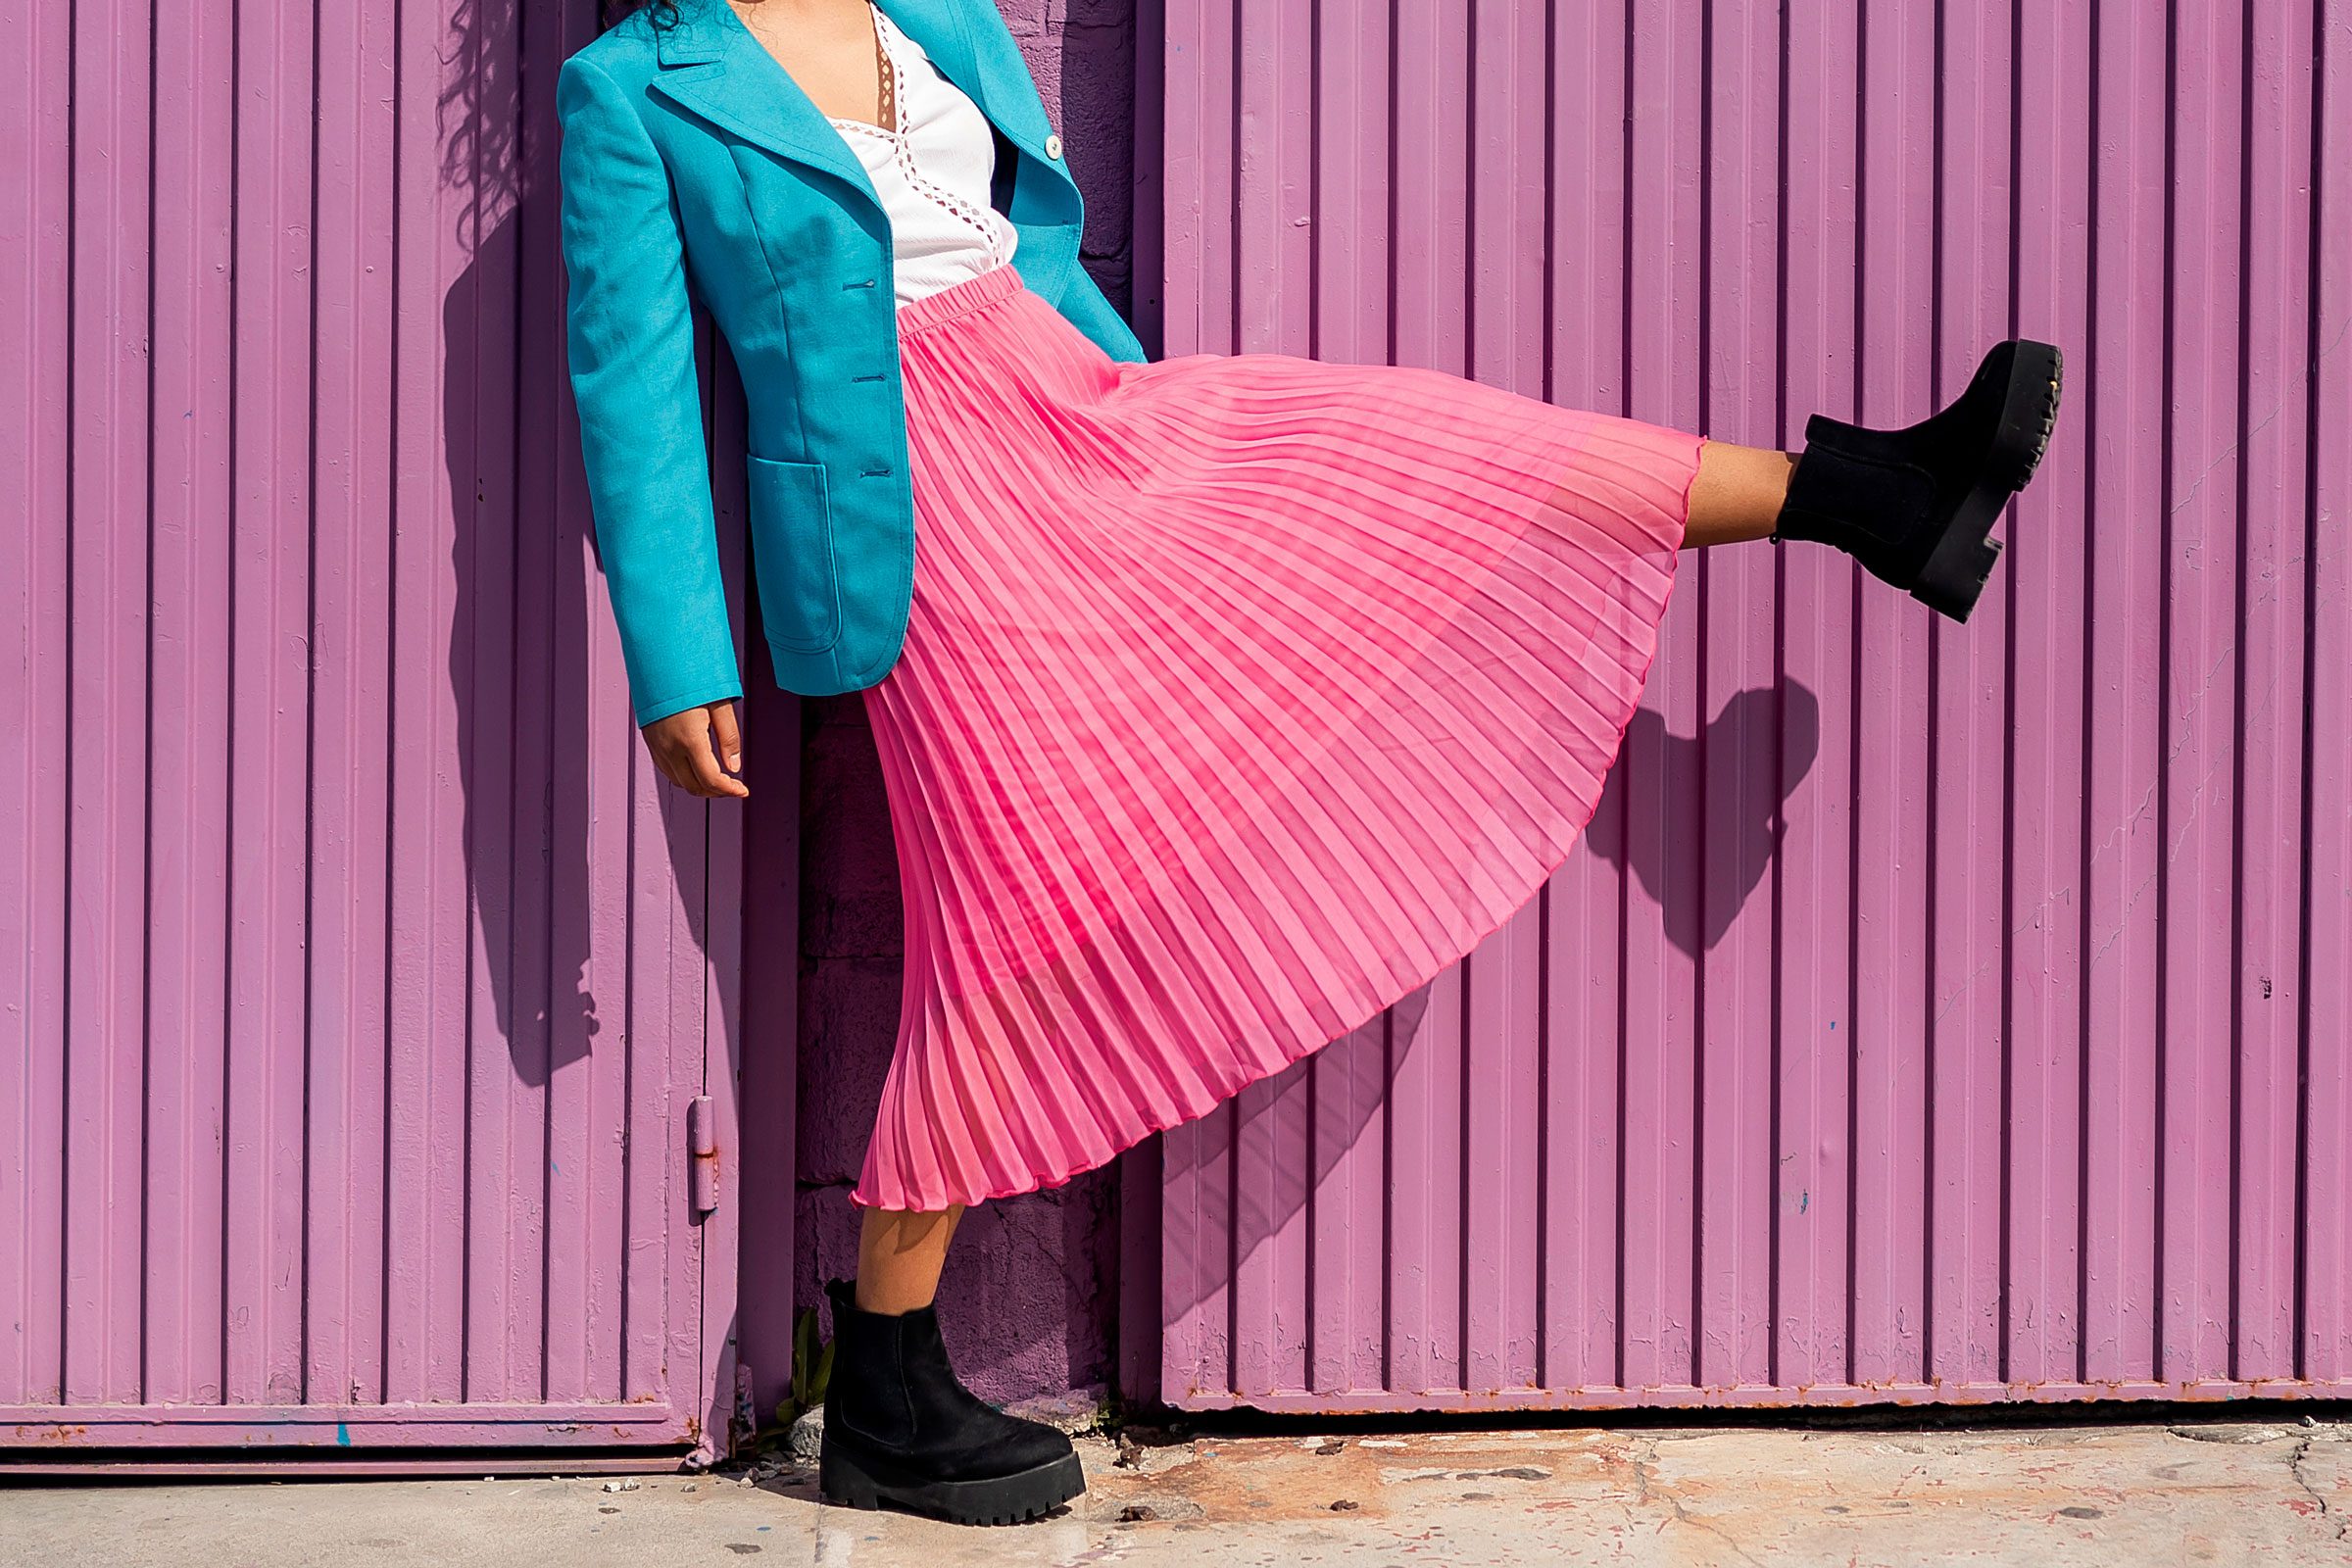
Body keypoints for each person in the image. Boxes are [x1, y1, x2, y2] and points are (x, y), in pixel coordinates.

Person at [558, 0, 2063, 1527]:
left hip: (1089, 422)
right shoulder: (634, 89)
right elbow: (639, 394)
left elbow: (1030, 245)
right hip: (926, 521)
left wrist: (1138, 420)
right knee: (1009, 926)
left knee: (1434, 453)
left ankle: (1860, 495)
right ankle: (887, 1383)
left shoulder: (927, 13)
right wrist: (682, 660)